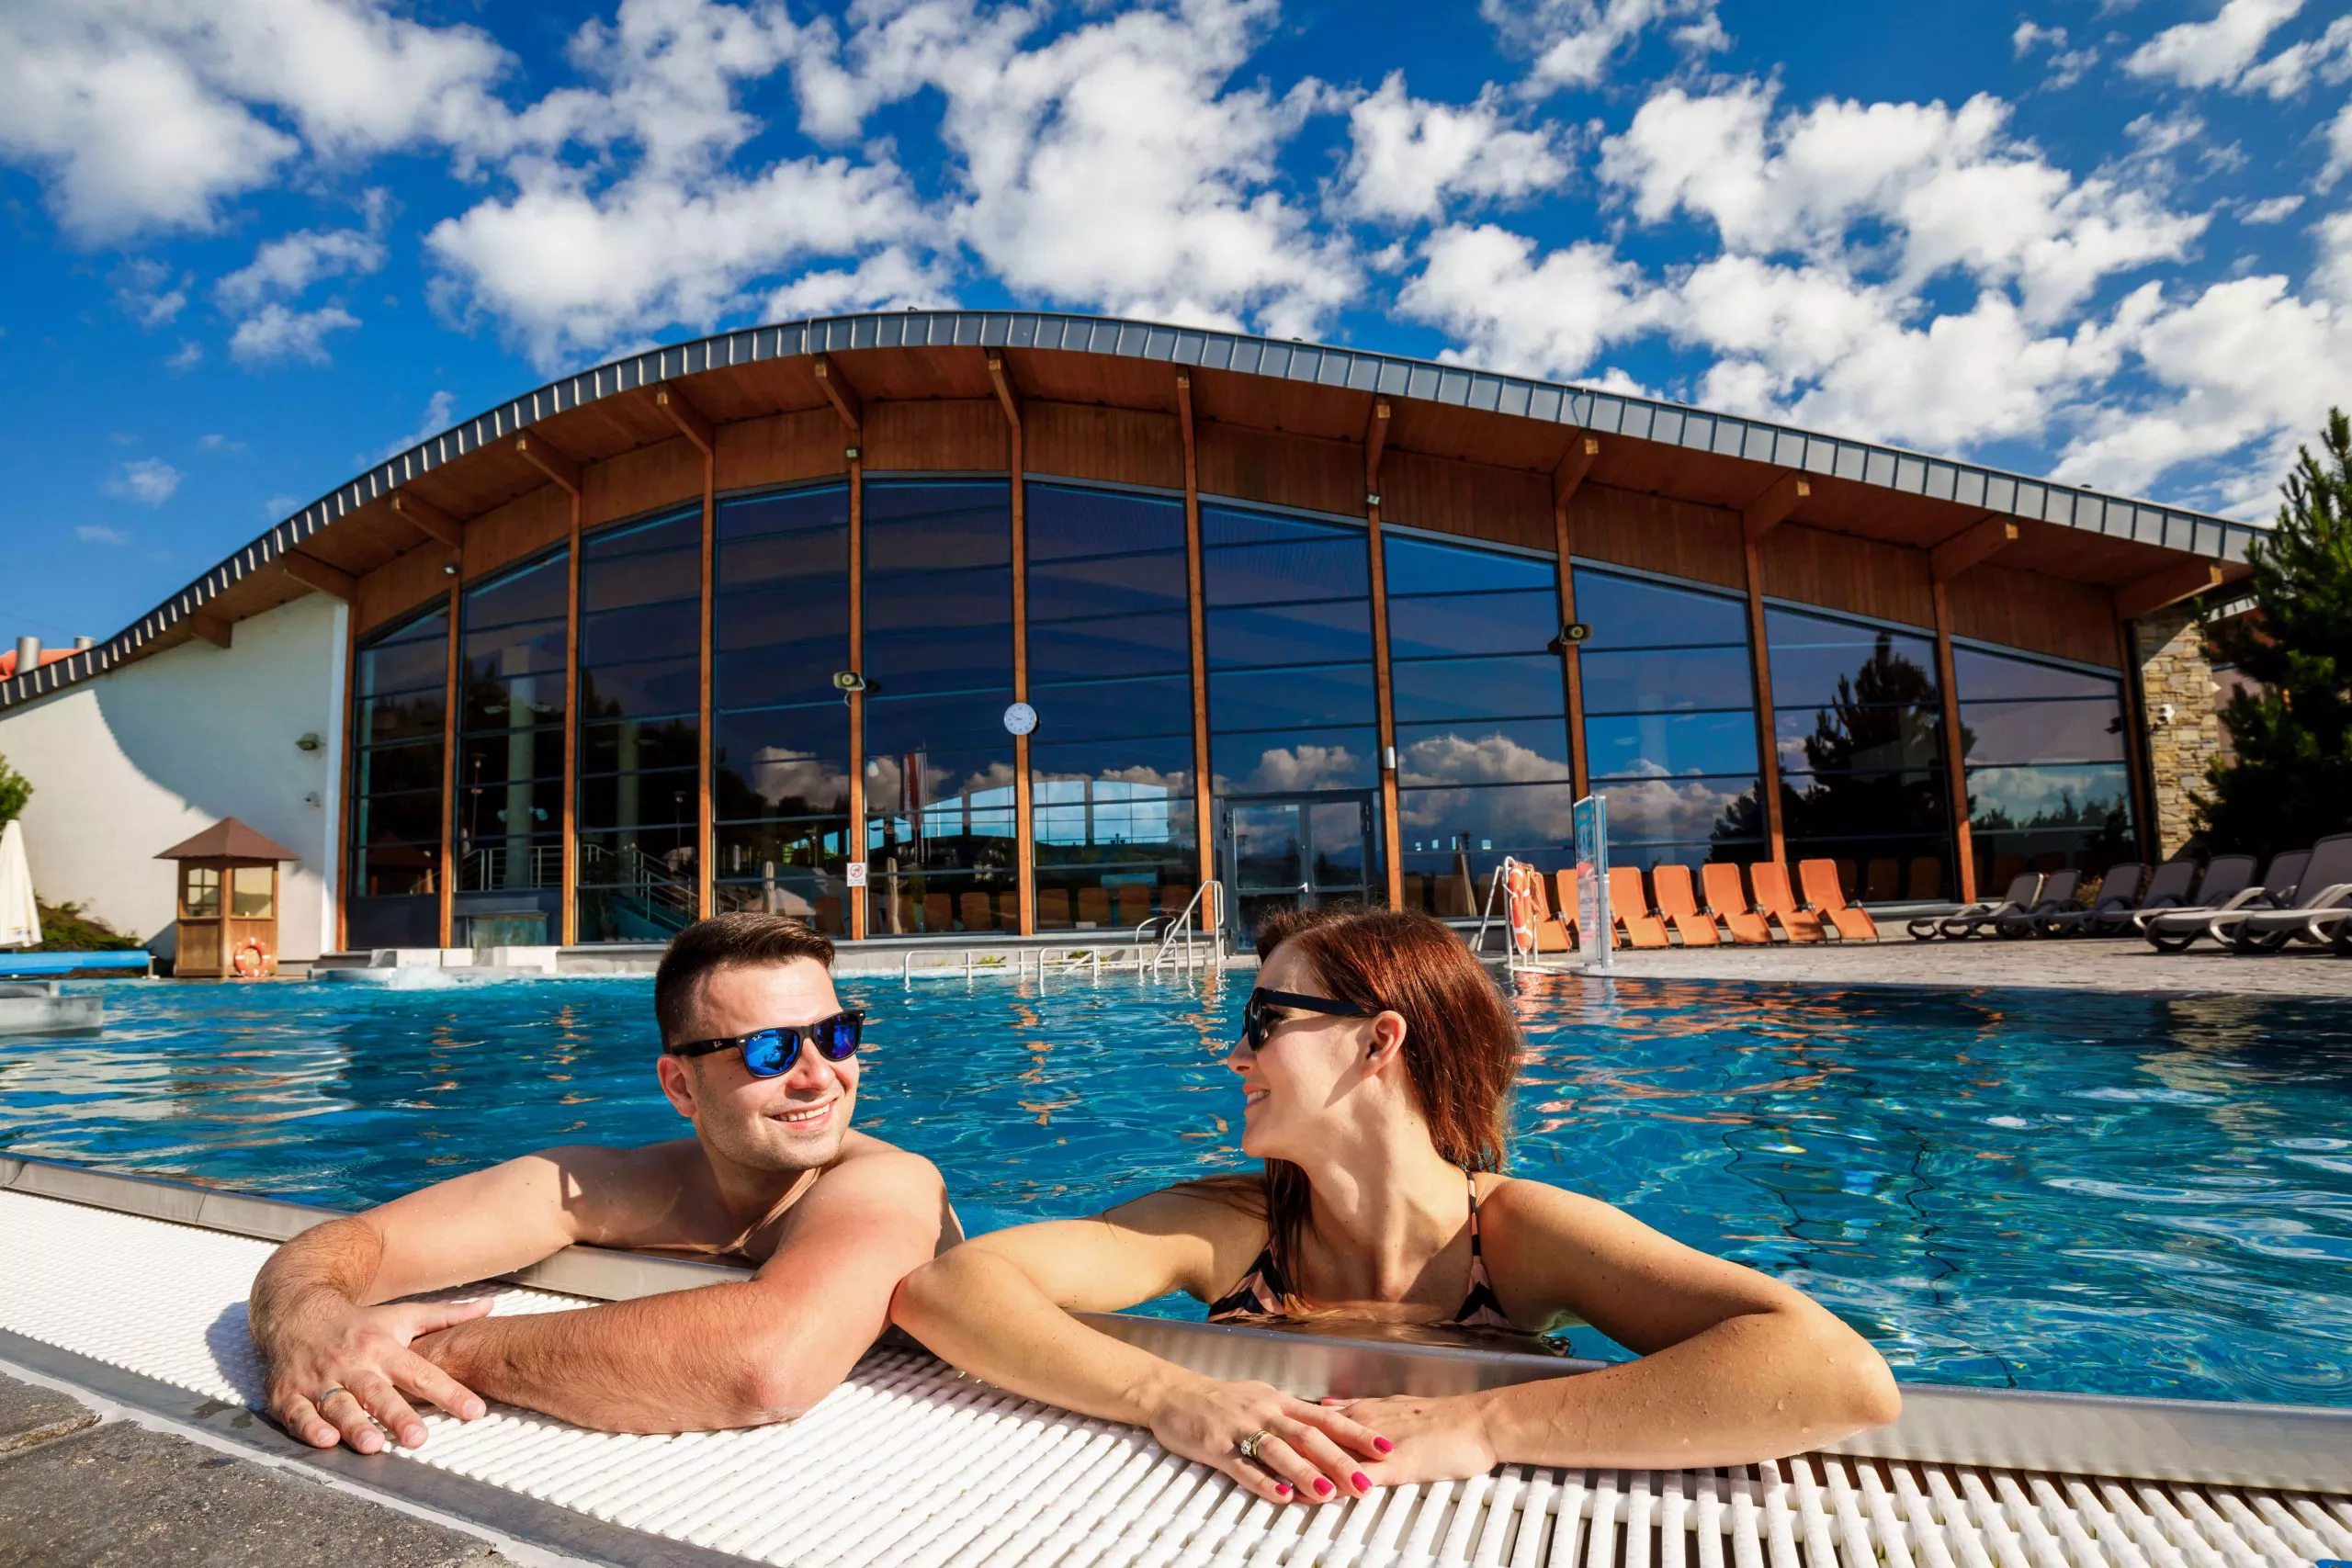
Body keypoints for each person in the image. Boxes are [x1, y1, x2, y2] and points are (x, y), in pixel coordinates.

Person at [892, 905, 1900, 1505]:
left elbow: (1835, 1373)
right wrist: (1174, 1397)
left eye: (1265, 1021)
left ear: (1380, 1042)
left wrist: (1487, 1427)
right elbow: (950, 1288)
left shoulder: (1512, 1235)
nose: (1233, 1052)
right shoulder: (1235, 1228)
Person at [250, 913, 953, 1453]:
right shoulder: (616, 1183)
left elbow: (768, 1362)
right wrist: (310, 1325)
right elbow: (351, 1242)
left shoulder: (889, 1181)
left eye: (835, 1035)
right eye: (769, 1049)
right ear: (681, 1084)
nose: (819, 1074)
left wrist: (421, 1356)